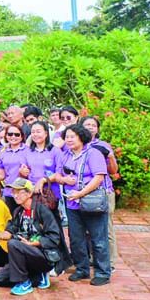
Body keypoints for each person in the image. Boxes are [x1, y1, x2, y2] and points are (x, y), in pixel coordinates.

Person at [48, 124, 111, 286]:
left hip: (92, 202)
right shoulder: (66, 155)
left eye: (72, 136)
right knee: (76, 239)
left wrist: (80, 193)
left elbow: (99, 178)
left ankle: (102, 272)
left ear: (81, 137)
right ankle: (82, 269)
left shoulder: (93, 153)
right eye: (66, 137)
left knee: (98, 239)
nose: (68, 140)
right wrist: (64, 180)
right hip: (72, 203)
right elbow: (58, 175)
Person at [0, 178, 64, 295]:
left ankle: (24, 283)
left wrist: (33, 243)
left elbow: (54, 237)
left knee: (13, 244)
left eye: (19, 192)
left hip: (43, 256)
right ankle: (38, 277)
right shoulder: (18, 212)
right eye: (13, 192)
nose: (15, 196)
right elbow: (10, 231)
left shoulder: (42, 210)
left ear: (29, 193)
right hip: (25, 255)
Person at [82, 115, 119, 267]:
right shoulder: (76, 144)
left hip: (103, 191)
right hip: (83, 192)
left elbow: (113, 170)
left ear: (97, 129)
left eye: (93, 125)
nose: (90, 127)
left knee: (106, 228)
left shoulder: (103, 145)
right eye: (87, 124)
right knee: (87, 229)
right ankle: (93, 258)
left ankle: (109, 262)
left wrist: (109, 156)